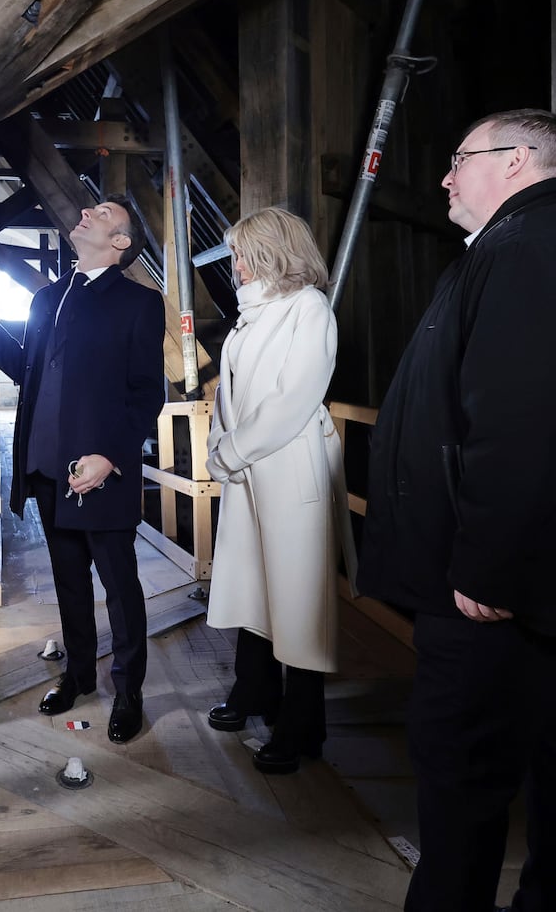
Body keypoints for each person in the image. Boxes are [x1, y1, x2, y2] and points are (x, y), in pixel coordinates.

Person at [359, 109, 556, 911]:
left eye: (460, 159)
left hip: (493, 586)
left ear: (519, 160)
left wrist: (487, 564)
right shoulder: (534, 245)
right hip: (526, 579)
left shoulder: (529, 249)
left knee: (460, 771)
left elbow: (522, 422)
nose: (447, 176)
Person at [0, 197, 165, 743]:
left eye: (103, 212)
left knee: (120, 585)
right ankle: (79, 674)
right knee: (68, 582)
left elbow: (146, 392)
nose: (88, 211)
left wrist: (111, 454)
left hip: (99, 467)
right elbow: (29, 368)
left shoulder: (139, 304)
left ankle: (128, 691)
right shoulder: (46, 297)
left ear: (121, 243)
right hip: (44, 464)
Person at [203, 208, 356, 775]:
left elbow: (295, 395)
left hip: (288, 465)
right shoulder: (251, 314)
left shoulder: (308, 306)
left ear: (272, 253)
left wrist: (233, 450)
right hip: (247, 470)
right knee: (253, 588)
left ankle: (302, 725)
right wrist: (223, 444)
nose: (235, 265)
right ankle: (254, 693)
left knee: (298, 598)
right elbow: (229, 395)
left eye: (243, 253)